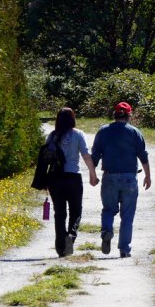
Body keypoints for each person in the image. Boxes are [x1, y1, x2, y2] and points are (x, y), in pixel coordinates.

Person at [90, 102, 151, 258]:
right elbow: (143, 156)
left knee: (108, 209)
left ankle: (107, 230)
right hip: (130, 178)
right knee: (127, 215)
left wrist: (92, 173)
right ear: (129, 115)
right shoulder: (135, 132)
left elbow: (95, 155)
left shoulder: (103, 131)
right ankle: (124, 249)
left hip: (110, 176)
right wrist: (147, 175)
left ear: (115, 115)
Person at [47, 107, 97, 257]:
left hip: (56, 178)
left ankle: (60, 246)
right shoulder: (78, 134)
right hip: (73, 177)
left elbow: (46, 159)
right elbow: (86, 156)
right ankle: (71, 235)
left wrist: (44, 179)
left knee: (59, 213)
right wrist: (92, 174)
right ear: (73, 119)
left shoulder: (52, 136)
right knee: (76, 211)